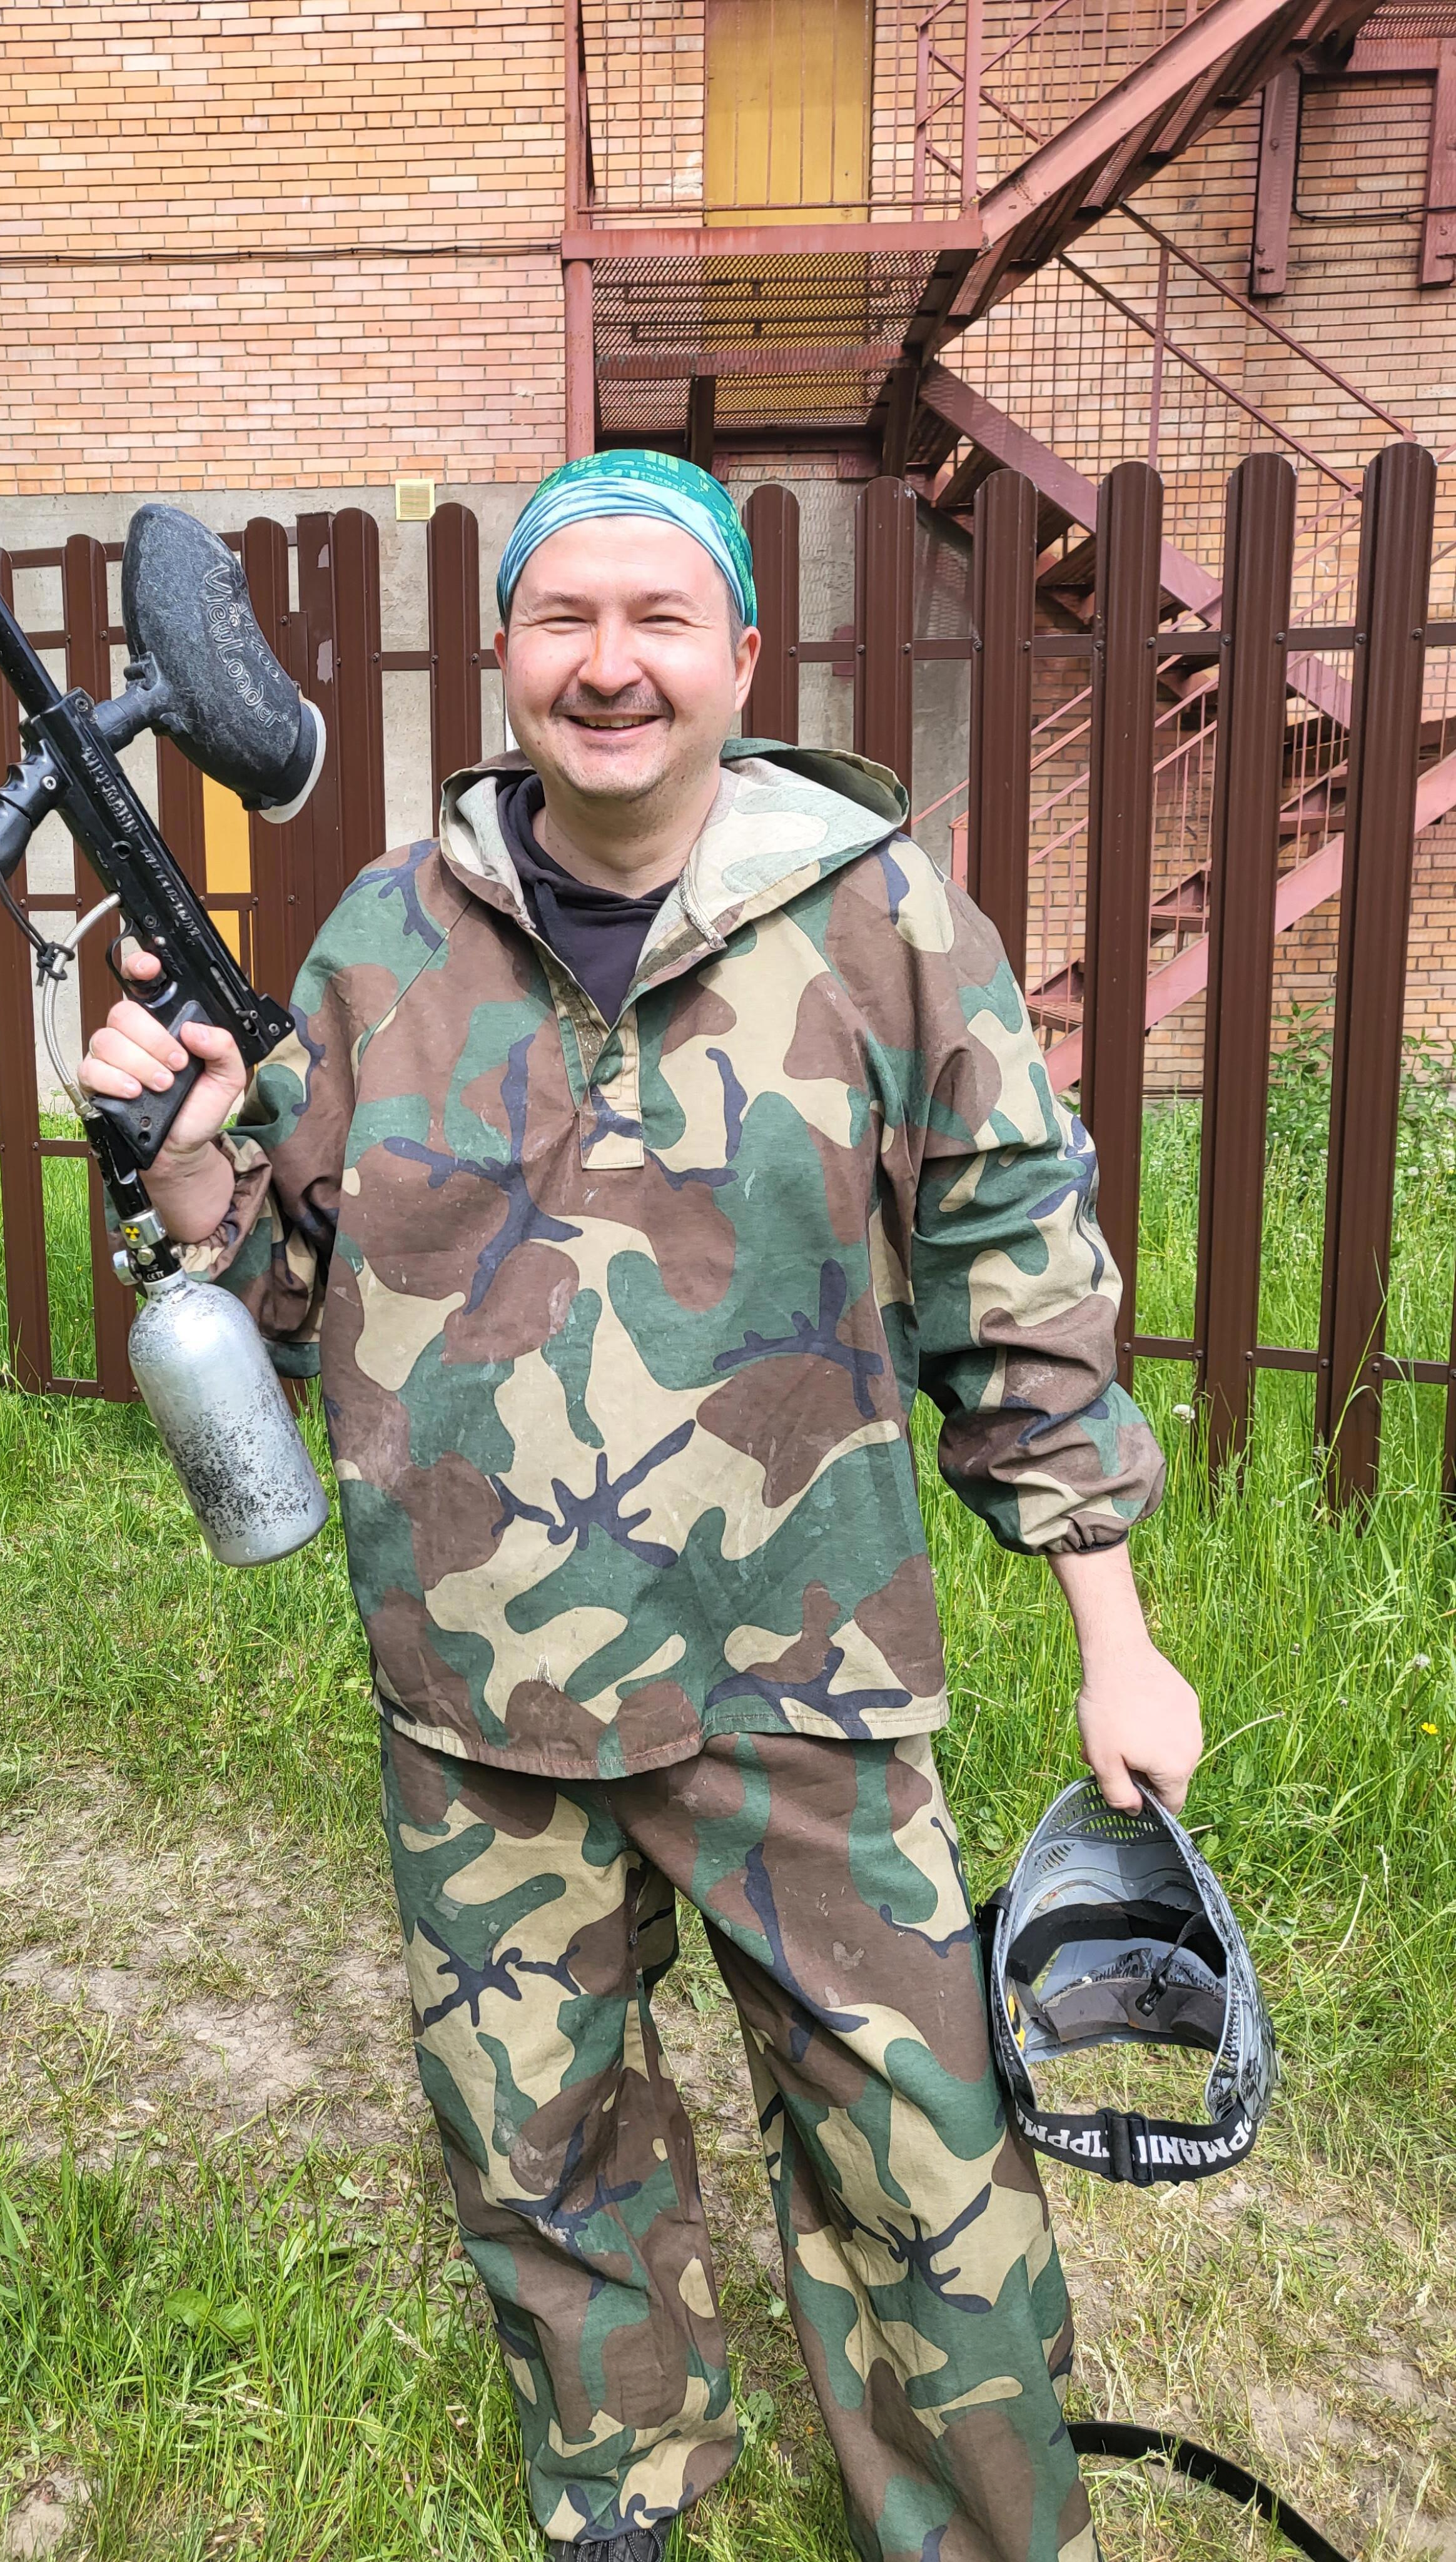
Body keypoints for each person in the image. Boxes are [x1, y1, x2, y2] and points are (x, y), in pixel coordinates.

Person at [79, 450, 1201, 2562]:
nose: (612, 666)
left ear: (742, 655)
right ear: (506, 652)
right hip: (478, 1685)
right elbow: (289, 1286)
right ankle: (621, 2488)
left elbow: (1018, 1283)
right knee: (540, 2141)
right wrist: (191, 1151)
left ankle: (979, 2529)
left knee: (922, 2159)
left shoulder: (880, 920)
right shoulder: (384, 942)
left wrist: (1114, 1643)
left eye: (659, 619)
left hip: (807, 1679)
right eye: (566, 620)